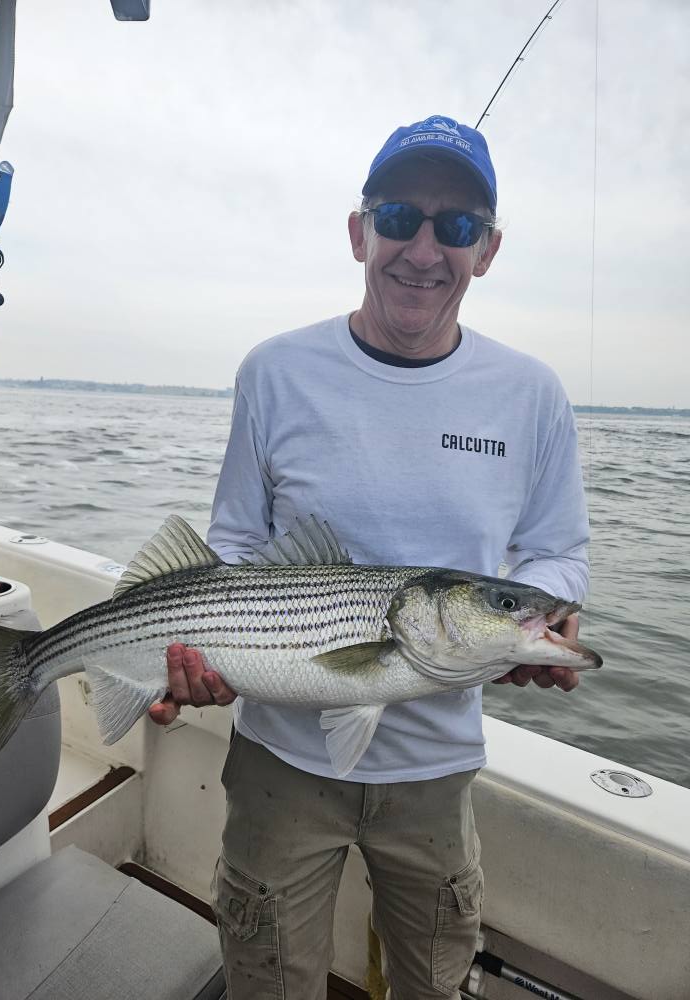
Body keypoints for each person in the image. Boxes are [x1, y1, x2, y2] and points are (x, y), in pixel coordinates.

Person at [148, 114, 589, 1000]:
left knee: (431, 981)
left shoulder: (532, 395)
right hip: (279, 759)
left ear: (487, 250)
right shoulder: (275, 371)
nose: (425, 249)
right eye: (400, 218)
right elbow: (233, 543)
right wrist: (205, 653)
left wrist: (531, 617)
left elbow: (557, 552)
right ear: (359, 232)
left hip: (436, 767)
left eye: (457, 226)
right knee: (268, 979)